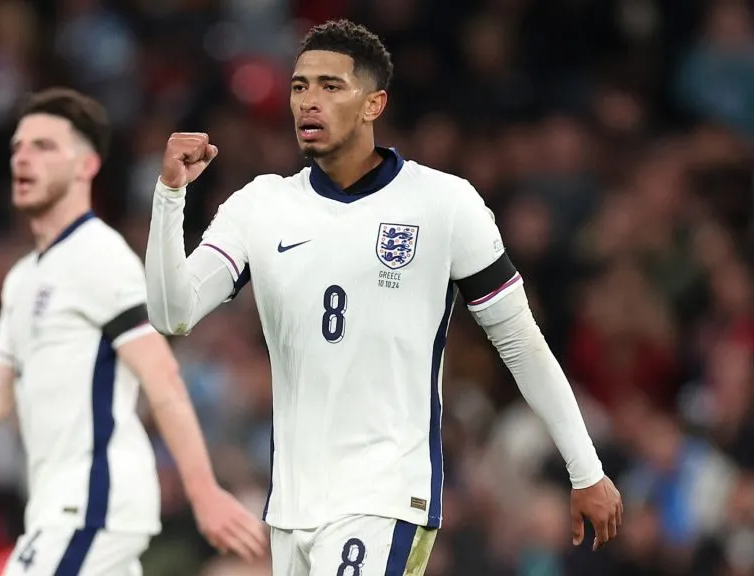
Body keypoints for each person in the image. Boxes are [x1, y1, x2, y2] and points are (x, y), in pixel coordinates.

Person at [144, 19, 623, 576]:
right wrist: (170, 194)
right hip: (293, 507)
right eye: (300, 86)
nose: (309, 101)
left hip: (386, 498)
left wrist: (585, 468)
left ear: (374, 104)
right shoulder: (261, 205)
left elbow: (520, 342)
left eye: (330, 86)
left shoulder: (444, 204)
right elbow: (172, 312)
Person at [0, 88, 266, 575]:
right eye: (19, 147)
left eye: (44, 146)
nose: (24, 158)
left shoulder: (99, 258)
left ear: (86, 166)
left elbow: (163, 380)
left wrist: (203, 492)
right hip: (60, 508)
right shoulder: (25, 278)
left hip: (92, 507)